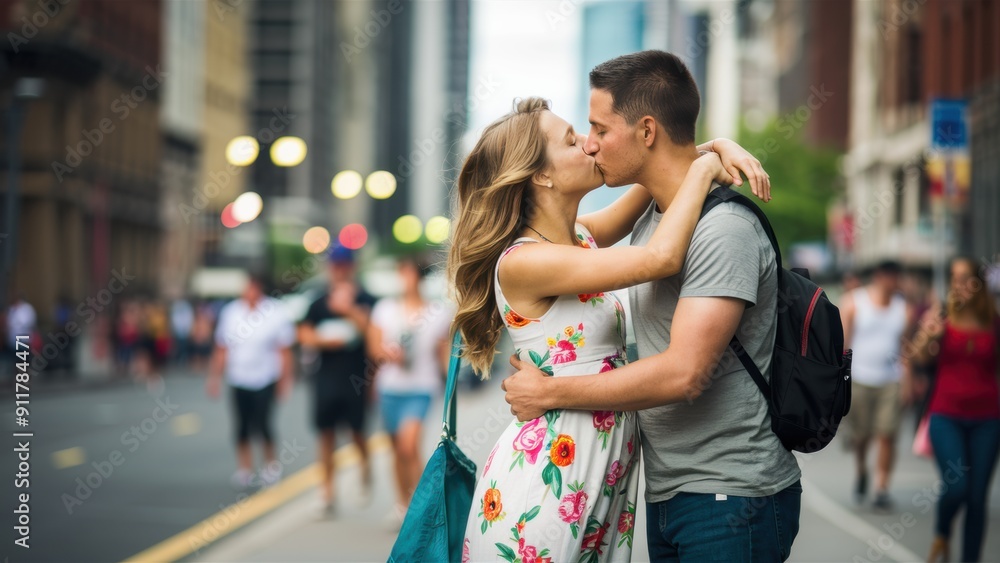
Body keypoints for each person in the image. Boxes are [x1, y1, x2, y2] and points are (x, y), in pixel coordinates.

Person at [502, 50, 801, 562]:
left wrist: (551, 393)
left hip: (727, 493)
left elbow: (684, 374)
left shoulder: (720, 229)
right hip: (662, 490)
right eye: (577, 138)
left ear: (645, 130)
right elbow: (659, 240)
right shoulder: (618, 232)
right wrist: (707, 156)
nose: (590, 144)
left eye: (595, 129)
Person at [915, 257, 1000, 563]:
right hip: (945, 415)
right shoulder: (941, 316)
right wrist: (929, 336)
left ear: (978, 283)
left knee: (977, 500)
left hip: (988, 419)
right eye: (954, 277)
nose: (959, 284)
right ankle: (942, 532)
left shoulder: (994, 320)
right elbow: (919, 359)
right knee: (957, 488)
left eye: (965, 278)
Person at [367, 256, 454, 528]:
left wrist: (452, 379)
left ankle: (421, 509)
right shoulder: (385, 309)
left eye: (407, 272)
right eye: (400, 271)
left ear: (418, 276)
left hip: (421, 387)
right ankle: (402, 505)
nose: (403, 277)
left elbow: (444, 352)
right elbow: (374, 346)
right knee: (396, 450)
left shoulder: (437, 312)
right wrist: (387, 353)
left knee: (409, 445)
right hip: (391, 387)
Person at [298, 245, 376, 516]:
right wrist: (323, 341)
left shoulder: (366, 298)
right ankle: (327, 493)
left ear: (352, 267)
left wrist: (348, 310)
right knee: (326, 436)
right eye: (335, 266)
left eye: (344, 265)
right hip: (325, 378)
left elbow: (374, 334)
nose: (339, 271)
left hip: (357, 378)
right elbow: (303, 334)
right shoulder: (318, 301)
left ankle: (365, 471)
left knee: (357, 433)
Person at [207, 274, 295, 489]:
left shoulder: (275, 311)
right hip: (239, 377)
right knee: (242, 425)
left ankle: (270, 465)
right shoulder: (231, 312)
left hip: (265, 377)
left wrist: (285, 380)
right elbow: (222, 347)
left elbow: (284, 350)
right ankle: (245, 468)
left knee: (264, 423)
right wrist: (214, 377)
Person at [839, 260, 913, 511]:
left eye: (897, 277)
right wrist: (839, 377)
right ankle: (861, 468)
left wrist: (908, 380)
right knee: (862, 436)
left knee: (887, 435)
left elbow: (906, 349)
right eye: (890, 276)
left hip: (890, 380)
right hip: (859, 378)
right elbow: (843, 343)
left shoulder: (903, 309)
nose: (894, 282)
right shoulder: (854, 302)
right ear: (880, 276)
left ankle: (881, 487)